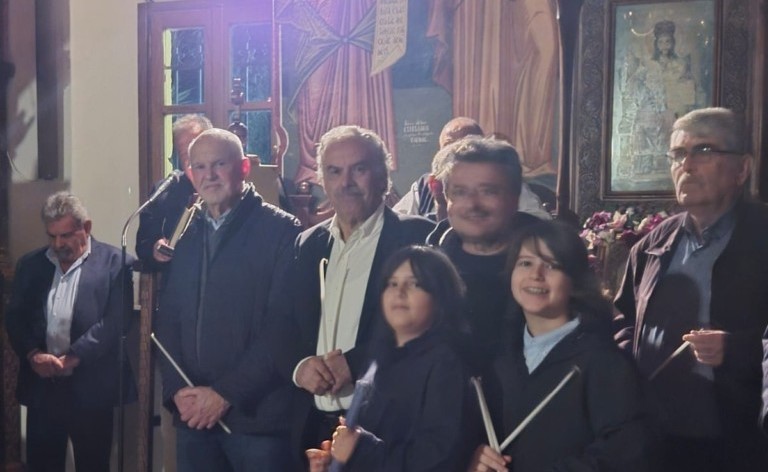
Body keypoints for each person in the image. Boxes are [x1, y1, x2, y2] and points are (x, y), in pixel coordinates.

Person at [271, 125, 434, 470]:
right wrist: (299, 368)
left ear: (383, 177)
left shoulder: (417, 237)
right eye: (334, 171)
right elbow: (279, 323)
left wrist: (356, 363)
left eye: (359, 169)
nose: (345, 182)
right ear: (322, 180)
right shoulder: (307, 243)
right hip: (313, 425)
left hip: (386, 429)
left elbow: (428, 329)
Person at [614, 107, 768, 471]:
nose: (687, 165)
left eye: (704, 150)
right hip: (657, 437)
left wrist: (737, 348)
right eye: (678, 154)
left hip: (738, 437)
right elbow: (622, 320)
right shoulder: (652, 245)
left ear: (742, 168)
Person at [154, 128, 302, 471]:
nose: (209, 175)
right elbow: (168, 317)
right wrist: (176, 391)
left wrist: (225, 394)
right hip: (193, 416)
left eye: (219, 164)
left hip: (257, 420)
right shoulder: (186, 232)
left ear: (243, 168)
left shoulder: (282, 231)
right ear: (190, 174)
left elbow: (283, 328)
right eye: (200, 167)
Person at [469, 221, 654, 472]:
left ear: (575, 281)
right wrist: (476, 454)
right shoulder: (497, 356)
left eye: (552, 265)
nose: (536, 274)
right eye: (525, 263)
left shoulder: (603, 362)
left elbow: (625, 453)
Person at [306, 245, 476, 471]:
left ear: (440, 296)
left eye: (414, 284)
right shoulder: (378, 358)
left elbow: (440, 458)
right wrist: (335, 462)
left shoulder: (446, 363)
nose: (399, 292)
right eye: (392, 283)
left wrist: (360, 449)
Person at [5, 191, 136, 472]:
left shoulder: (115, 263)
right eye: (51, 236)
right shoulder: (31, 265)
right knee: (42, 465)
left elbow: (116, 322)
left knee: (93, 465)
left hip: (91, 389)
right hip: (43, 389)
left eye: (65, 235)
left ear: (85, 227)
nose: (57, 244)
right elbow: (16, 318)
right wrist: (33, 354)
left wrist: (73, 357)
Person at [428, 136, 540, 372]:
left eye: (488, 191)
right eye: (460, 192)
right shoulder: (425, 273)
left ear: (515, 197)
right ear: (447, 198)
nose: (473, 204)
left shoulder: (552, 269)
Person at [393, 117, 547, 221]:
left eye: (466, 145)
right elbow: (396, 222)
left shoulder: (503, 181)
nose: (457, 152)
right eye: (449, 146)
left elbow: (540, 221)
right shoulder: (424, 186)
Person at [135, 114, 212, 270]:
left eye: (194, 148)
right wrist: (155, 248)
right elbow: (143, 244)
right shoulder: (167, 189)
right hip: (178, 275)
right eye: (184, 153)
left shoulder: (223, 183)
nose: (190, 158)